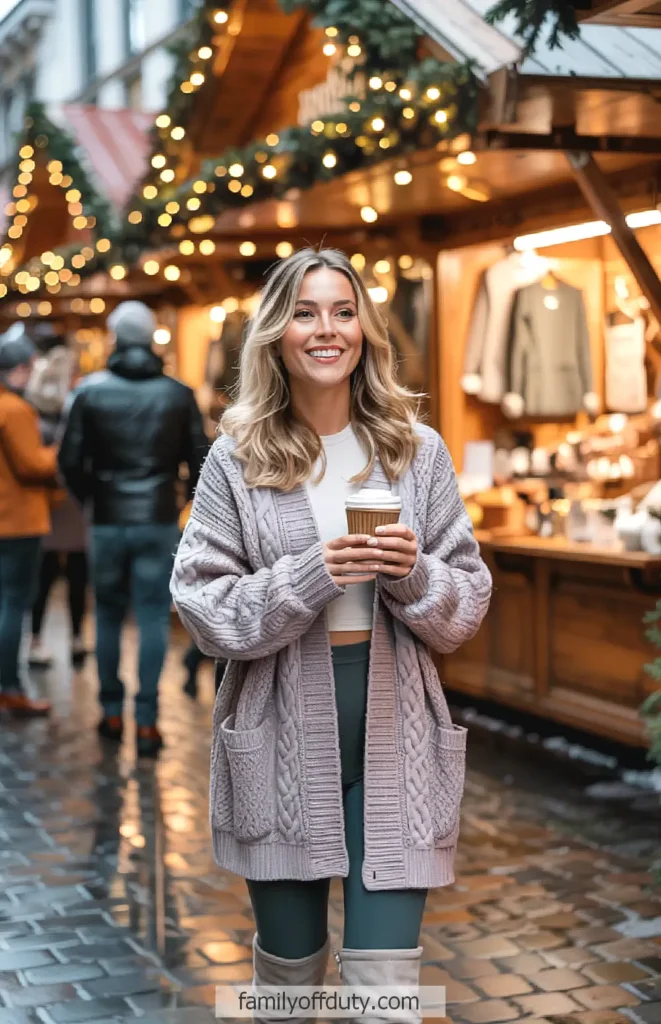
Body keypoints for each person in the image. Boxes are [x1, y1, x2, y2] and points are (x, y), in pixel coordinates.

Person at [170, 248, 492, 1023]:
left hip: (397, 738)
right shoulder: (237, 459)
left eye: (343, 311)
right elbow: (202, 607)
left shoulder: (415, 454)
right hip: (277, 734)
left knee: (386, 995)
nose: (326, 329)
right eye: (306, 313)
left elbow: (466, 603)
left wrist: (411, 575)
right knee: (289, 989)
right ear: (276, 332)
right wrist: (310, 575)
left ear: (364, 330)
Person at [58, 301, 207, 757]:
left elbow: (69, 460)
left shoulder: (90, 392)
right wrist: (178, 498)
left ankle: (110, 711)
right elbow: (201, 458)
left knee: (105, 613)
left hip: (107, 518)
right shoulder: (177, 394)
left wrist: (94, 497)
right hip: (159, 519)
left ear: (115, 338)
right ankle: (146, 721)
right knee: (151, 616)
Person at [0, 324, 59, 717]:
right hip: (17, 521)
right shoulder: (15, 409)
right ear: (18, 369)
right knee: (12, 605)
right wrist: (59, 449)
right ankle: (10, 686)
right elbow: (32, 464)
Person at [25, 327, 89, 669]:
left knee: (51, 573)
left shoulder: (34, 398)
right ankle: (64, 637)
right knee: (60, 572)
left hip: (58, 500)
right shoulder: (70, 396)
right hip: (62, 498)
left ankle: (44, 638)